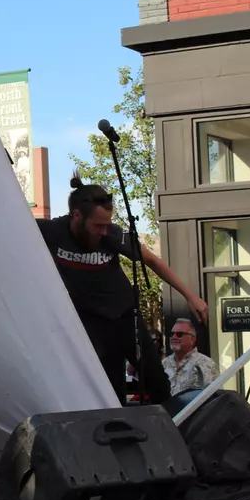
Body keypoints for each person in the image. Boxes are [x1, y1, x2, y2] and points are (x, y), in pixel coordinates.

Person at [36, 172, 209, 403]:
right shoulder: (51, 231)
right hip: (91, 322)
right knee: (109, 386)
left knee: (156, 380)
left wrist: (190, 296)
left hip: (126, 317)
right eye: (98, 225)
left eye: (107, 224)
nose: (104, 231)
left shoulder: (113, 235)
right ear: (76, 216)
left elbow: (153, 261)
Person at [161, 318, 220, 396]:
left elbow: (214, 398)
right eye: (172, 334)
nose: (174, 337)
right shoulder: (164, 364)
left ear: (192, 339)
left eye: (179, 334)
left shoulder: (207, 364)